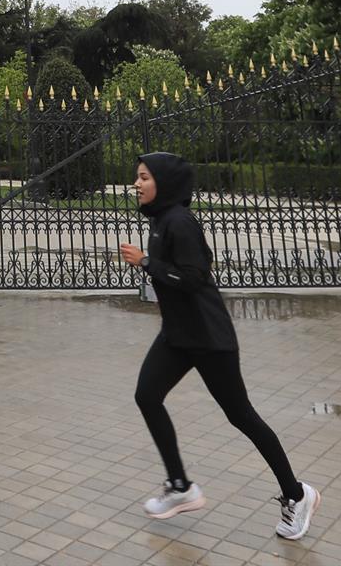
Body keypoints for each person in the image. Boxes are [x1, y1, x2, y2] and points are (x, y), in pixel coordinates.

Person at [119, 151, 320, 541]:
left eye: (144, 177)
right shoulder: (162, 220)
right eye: (136, 177)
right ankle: (180, 486)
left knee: (242, 416)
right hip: (178, 336)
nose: (137, 184)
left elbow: (194, 277)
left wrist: (146, 263)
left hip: (209, 339)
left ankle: (298, 495)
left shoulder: (180, 222)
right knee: (147, 395)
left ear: (165, 182)